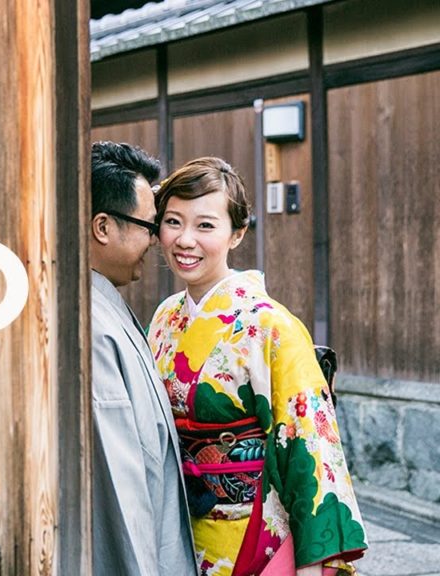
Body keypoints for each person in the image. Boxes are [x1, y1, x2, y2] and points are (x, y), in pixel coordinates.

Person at [147, 157, 367, 576]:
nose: (185, 239)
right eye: (173, 222)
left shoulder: (271, 326)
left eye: (205, 225)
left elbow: (311, 449)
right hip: (175, 530)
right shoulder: (163, 318)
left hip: (252, 534)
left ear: (237, 233)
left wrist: (313, 563)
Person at [88, 141, 196, 576]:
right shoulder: (93, 328)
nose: (157, 240)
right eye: (147, 226)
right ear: (102, 227)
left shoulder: (107, 308)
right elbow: (120, 494)